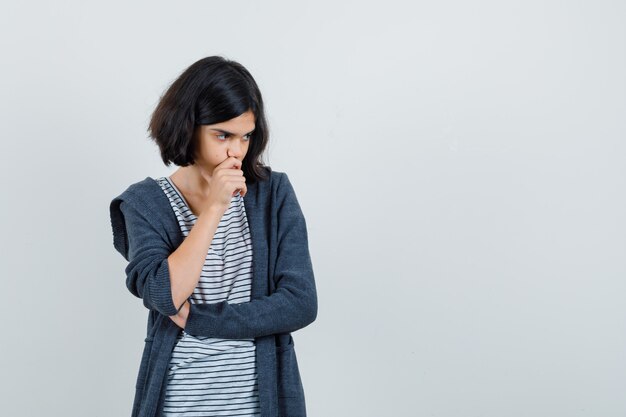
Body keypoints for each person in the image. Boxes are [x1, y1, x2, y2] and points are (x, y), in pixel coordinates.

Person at [109, 56, 318, 417]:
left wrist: (203, 320)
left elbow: (300, 303)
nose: (236, 151)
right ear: (187, 127)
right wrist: (214, 209)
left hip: (260, 405)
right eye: (222, 135)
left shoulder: (273, 193)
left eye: (245, 136)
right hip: (179, 403)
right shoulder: (144, 204)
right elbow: (165, 294)